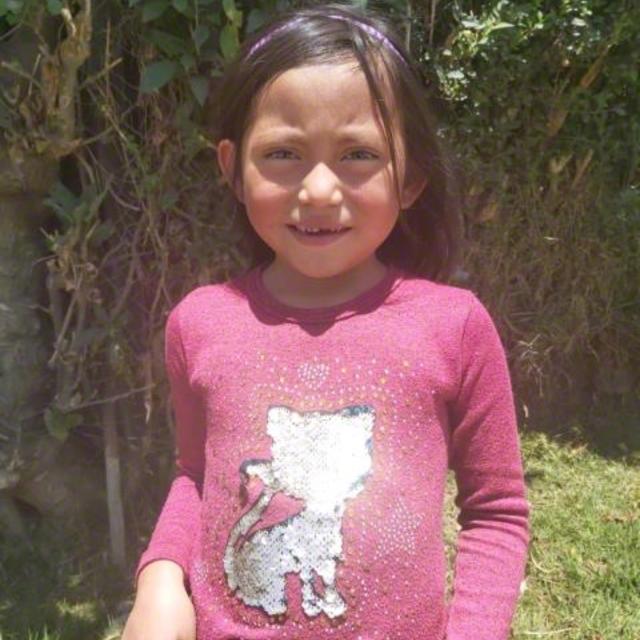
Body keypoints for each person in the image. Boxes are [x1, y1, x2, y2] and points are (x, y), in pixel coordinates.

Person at [121, 4, 529, 640]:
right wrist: (160, 578)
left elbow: (496, 511)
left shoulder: (454, 327)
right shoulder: (199, 323)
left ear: (411, 177)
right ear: (232, 167)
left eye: (358, 153)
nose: (316, 190)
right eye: (283, 153)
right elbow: (197, 476)